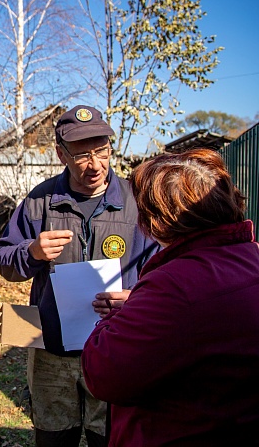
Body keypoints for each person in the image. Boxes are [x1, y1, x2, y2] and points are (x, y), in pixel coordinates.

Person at [0, 105, 158, 447]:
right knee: (54, 439)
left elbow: (162, 271)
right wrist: (31, 252)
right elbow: (5, 260)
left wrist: (138, 298)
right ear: (61, 154)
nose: (95, 164)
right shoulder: (40, 202)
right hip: (52, 354)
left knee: (111, 439)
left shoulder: (137, 202)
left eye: (102, 151)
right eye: (83, 155)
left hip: (116, 350)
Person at [81, 148, 259, 446]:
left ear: (157, 222)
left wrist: (122, 316)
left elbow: (104, 374)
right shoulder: (249, 257)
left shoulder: (175, 284)